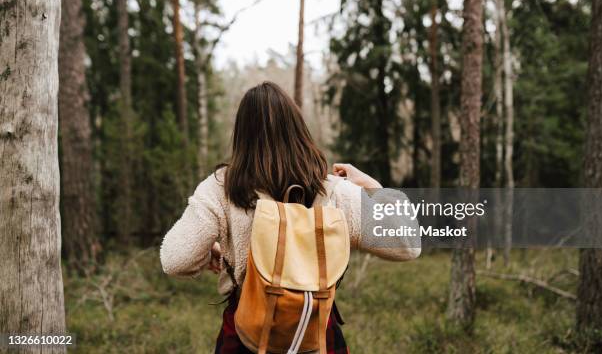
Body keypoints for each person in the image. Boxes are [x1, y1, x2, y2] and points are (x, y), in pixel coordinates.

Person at [160, 81, 420, 353]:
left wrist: (213, 251)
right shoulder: (332, 190)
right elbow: (408, 244)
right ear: (298, 130)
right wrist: (373, 189)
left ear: (241, 135)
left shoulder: (221, 187)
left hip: (246, 336)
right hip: (315, 332)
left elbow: (175, 259)